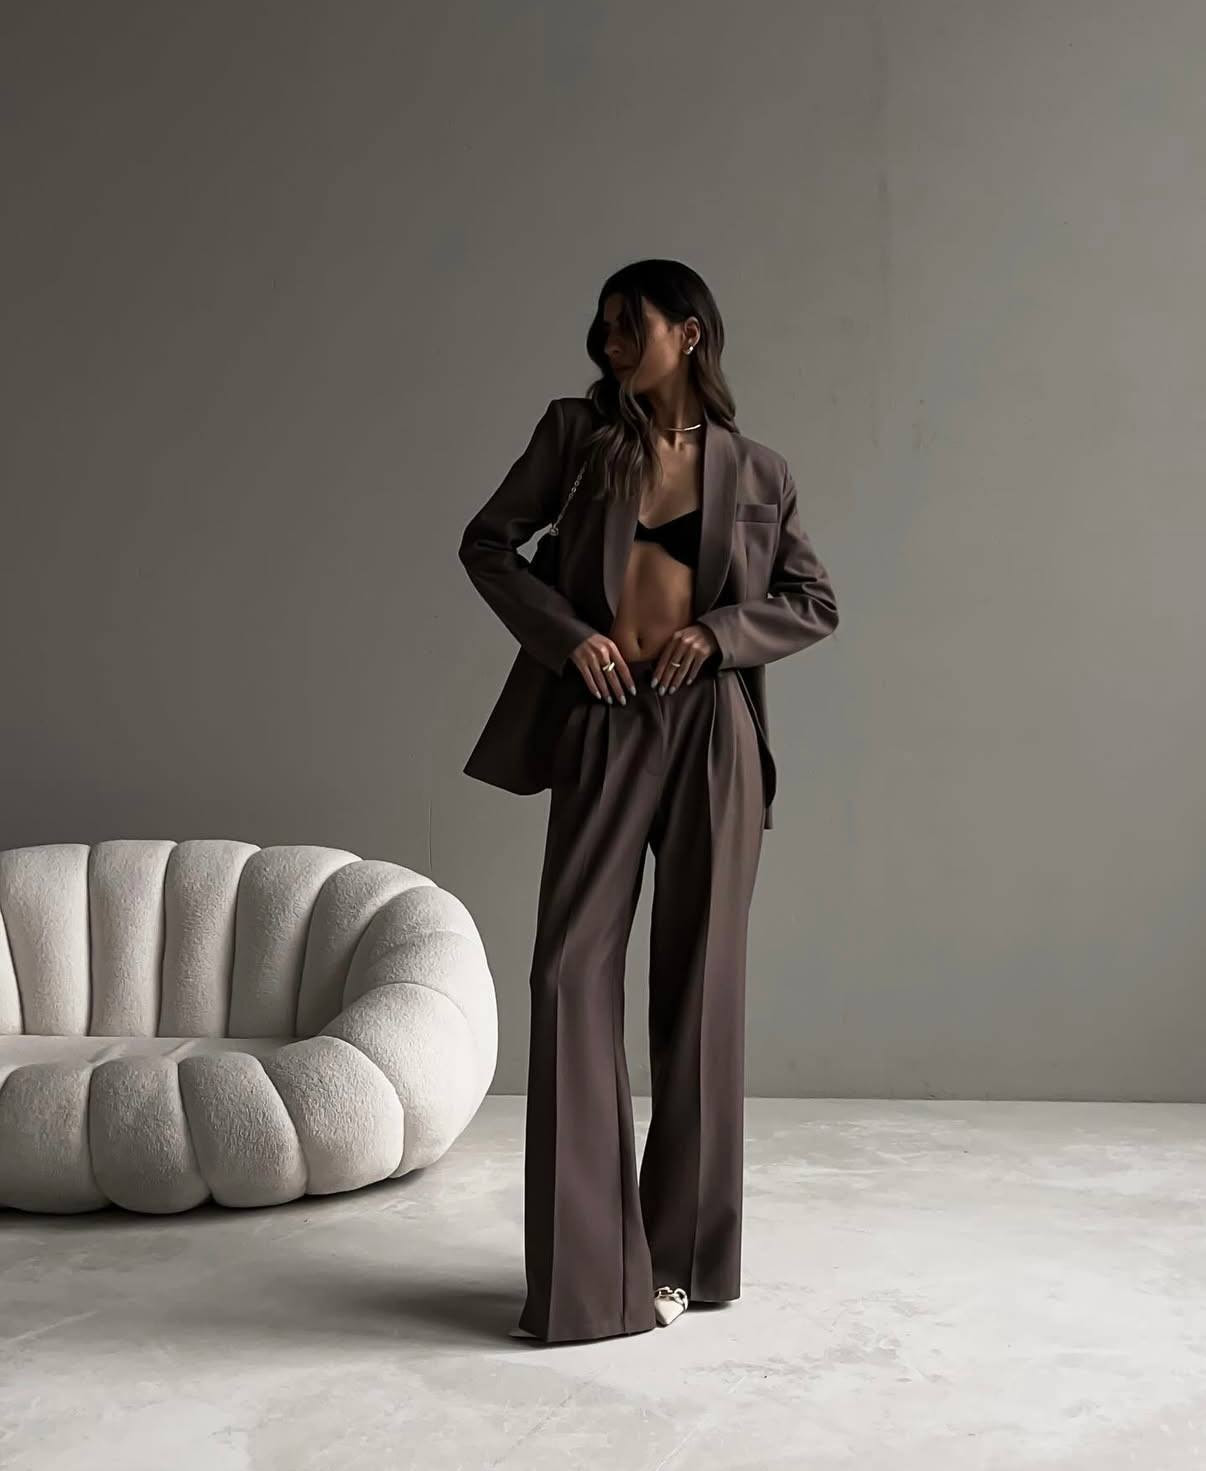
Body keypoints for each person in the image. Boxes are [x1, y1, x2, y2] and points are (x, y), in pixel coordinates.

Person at [459, 258, 839, 1343]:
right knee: (567, 973)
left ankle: (681, 1262)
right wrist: (568, 637)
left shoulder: (758, 471)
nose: (611, 343)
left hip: (713, 732)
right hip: (605, 714)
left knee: (700, 989)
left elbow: (814, 600)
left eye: (630, 325)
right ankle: (588, 1280)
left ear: (690, 333)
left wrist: (721, 632)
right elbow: (488, 545)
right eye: (604, 328)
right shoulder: (577, 438)